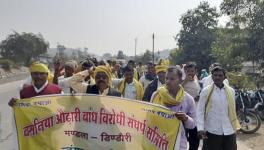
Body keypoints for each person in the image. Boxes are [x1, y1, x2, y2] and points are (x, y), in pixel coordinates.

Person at [151, 66, 196, 150]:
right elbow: (149, 117)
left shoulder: (188, 99)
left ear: (180, 80)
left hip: (178, 143)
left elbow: (193, 125)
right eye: (166, 78)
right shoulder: (157, 95)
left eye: (172, 79)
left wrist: (185, 118)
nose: (168, 81)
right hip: (158, 140)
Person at [197, 66, 240, 150]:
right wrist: (200, 128)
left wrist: (235, 127)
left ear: (224, 77)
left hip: (229, 130)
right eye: (215, 75)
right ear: (212, 76)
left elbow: (233, 110)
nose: (217, 77)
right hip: (212, 130)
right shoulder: (206, 91)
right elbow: (200, 110)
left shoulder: (231, 91)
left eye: (220, 75)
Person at [182, 62, 201, 150]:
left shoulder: (196, 79)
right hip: (183, 114)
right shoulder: (182, 80)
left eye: (192, 71)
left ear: (195, 71)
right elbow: (178, 88)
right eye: (188, 71)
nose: (190, 73)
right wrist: (185, 80)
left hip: (194, 114)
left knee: (194, 141)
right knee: (183, 139)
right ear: (185, 71)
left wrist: (197, 97)